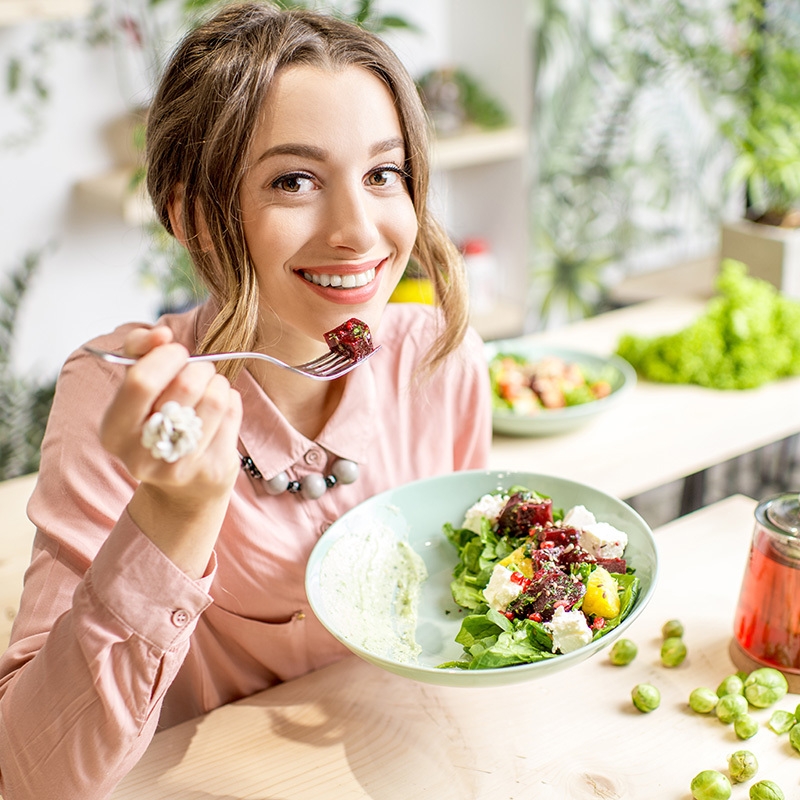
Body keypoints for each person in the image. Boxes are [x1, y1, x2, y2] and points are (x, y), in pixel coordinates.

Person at [0, 3, 491, 798]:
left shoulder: (439, 359)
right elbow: (31, 775)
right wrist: (171, 518)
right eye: (294, 180)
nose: (360, 232)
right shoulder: (122, 401)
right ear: (195, 216)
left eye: (383, 174)